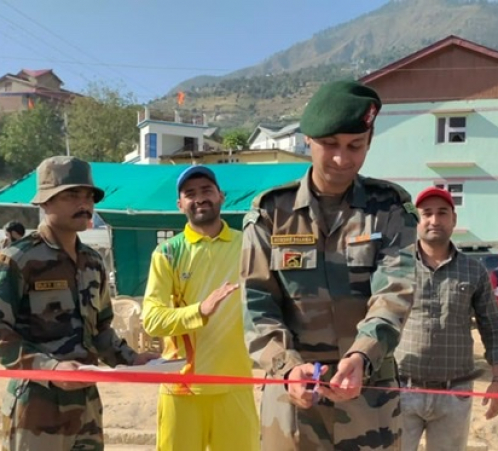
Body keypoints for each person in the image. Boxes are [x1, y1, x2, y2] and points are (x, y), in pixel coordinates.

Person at [241, 80, 418, 451]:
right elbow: (257, 302)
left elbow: (395, 292)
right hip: (292, 397)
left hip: (368, 396)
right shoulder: (272, 212)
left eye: (355, 146)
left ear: (369, 141)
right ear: (308, 139)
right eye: (330, 145)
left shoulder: (389, 209)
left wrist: (363, 354)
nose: (342, 159)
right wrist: (285, 366)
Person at [0, 156, 158, 451]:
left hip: (85, 403)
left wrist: (132, 359)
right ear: (45, 203)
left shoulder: (93, 262)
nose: (84, 204)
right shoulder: (17, 259)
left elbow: (100, 330)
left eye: (88, 196)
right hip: (36, 404)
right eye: (72, 195)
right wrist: (50, 367)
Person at [142, 166, 260, 451]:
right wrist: (199, 311)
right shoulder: (168, 253)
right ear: (179, 204)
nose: (199, 198)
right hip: (182, 389)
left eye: (206, 190)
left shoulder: (248, 246)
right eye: (190, 193)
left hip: (235, 385)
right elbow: (152, 319)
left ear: (221, 196)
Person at [395, 186, 498, 451]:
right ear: (417, 219)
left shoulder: (474, 271)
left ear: (453, 220)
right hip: (401, 389)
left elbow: (491, 327)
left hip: (454, 393)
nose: (434, 220)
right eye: (426, 213)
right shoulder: (395, 266)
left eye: (442, 213)